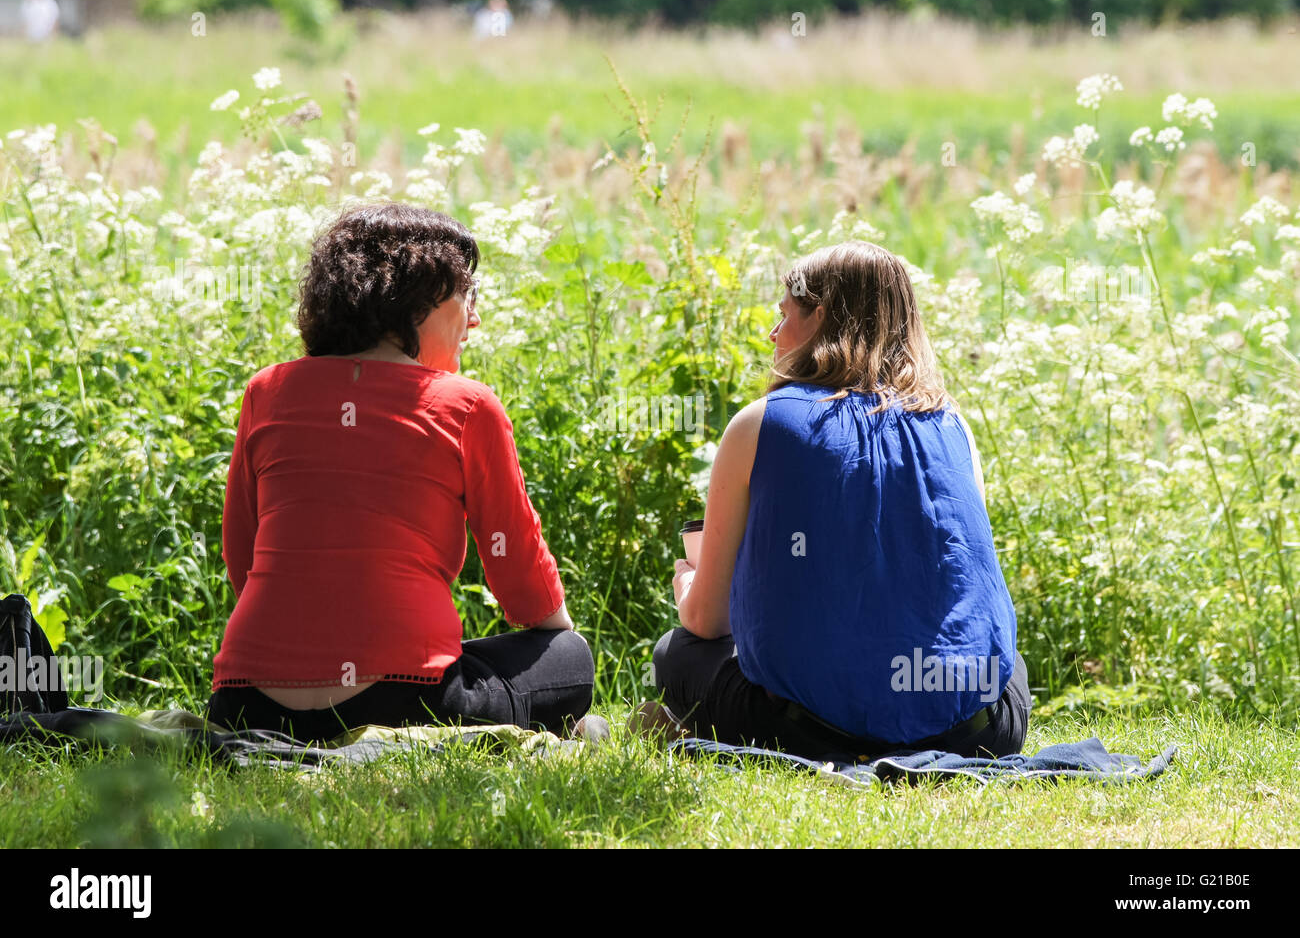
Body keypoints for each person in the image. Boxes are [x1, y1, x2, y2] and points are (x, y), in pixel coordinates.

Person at [205, 204, 594, 743]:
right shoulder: (466, 406)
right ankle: (576, 728)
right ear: (415, 304)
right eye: (467, 297)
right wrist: (557, 653)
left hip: (245, 704)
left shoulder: (265, 391)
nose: (474, 319)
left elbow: (242, 561)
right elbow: (525, 587)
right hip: (402, 701)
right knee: (570, 658)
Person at [641, 241, 1031, 762]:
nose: (773, 334)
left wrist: (688, 582)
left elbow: (709, 622)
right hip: (978, 730)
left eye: (784, 315)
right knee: (1011, 667)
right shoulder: (954, 425)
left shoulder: (759, 423)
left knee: (677, 653)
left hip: (807, 733)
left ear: (820, 317)